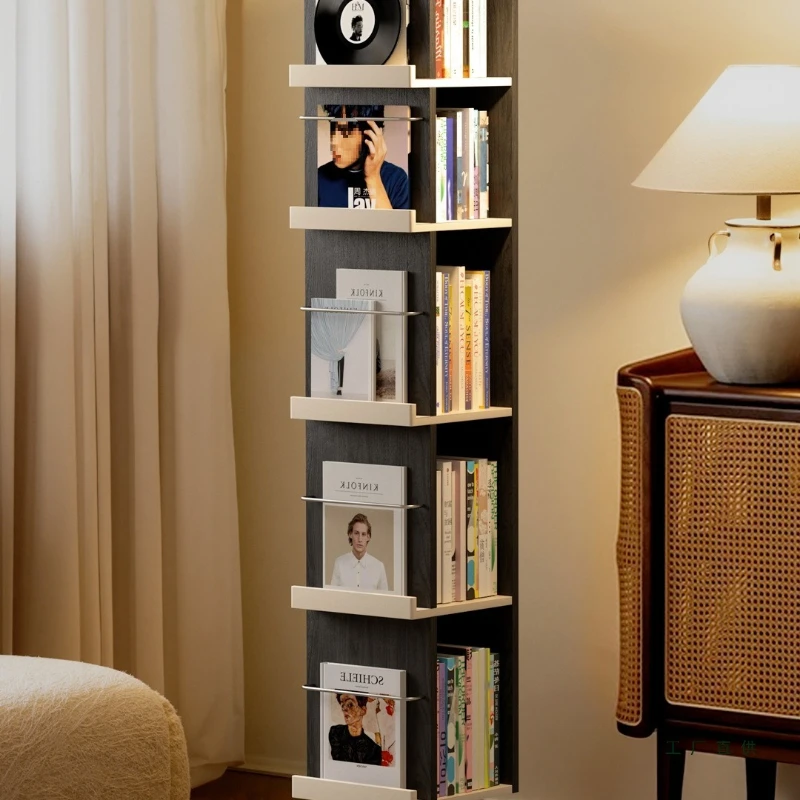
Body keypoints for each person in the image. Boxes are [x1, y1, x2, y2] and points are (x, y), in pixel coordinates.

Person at [318, 105, 410, 210]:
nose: (334, 142)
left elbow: (392, 226)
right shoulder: (320, 178)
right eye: (333, 130)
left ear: (371, 135)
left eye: (345, 133)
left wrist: (373, 177)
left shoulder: (396, 179)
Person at [330, 513, 389, 591]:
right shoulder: (339, 563)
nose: (360, 539)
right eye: (356, 533)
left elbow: (384, 601)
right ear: (350, 534)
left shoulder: (379, 567)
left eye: (363, 534)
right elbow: (333, 597)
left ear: (368, 537)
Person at [329, 693, 382, 765]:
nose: (344, 709)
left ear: (363, 711)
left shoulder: (374, 750)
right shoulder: (335, 732)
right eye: (342, 705)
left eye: (350, 705)